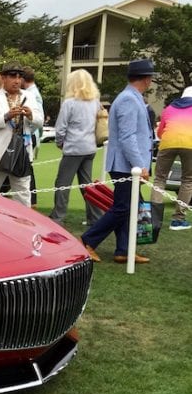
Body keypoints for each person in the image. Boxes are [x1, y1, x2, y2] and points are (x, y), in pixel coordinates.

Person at [81, 59, 156, 264]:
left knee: (129, 207)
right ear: (146, 79)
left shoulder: (131, 98)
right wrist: (140, 165)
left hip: (127, 164)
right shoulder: (128, 99)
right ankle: (88, 240)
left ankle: (123, 249)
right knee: (123, 207)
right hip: (126, 165)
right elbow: (127, 137)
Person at [0, 61, 43, 207]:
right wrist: (6, 117)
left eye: (20, 76)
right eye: (13, 76)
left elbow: (40, 122)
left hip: (21, 153)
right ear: (3, 77)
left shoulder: (29, 96)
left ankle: (23, 221)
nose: (17, 80)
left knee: (23, 196)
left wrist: (31, 116)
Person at [48, 69, 104, 227]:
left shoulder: (69, 103)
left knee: (62, 184)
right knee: (87, 185)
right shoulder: (95, 102)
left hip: (73, 148)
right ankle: (95, 217)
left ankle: (58, 216)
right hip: (89, 147)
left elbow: (61, 128)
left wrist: (60, 143)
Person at [150, 86, 192, 231]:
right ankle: (178, 220)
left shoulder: (169, 109)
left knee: (159, 179)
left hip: (167, 143)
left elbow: (160, 132)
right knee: (188, 180)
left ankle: (154, 219)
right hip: (190, 144)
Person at [22, 67, 45, 208]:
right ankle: (31, 200)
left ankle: (32, 200)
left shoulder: (31, 94)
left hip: (29, 135)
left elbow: (39, 117)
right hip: (31, 135)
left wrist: (30, 131)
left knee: (26, 169)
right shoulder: (33, 92)